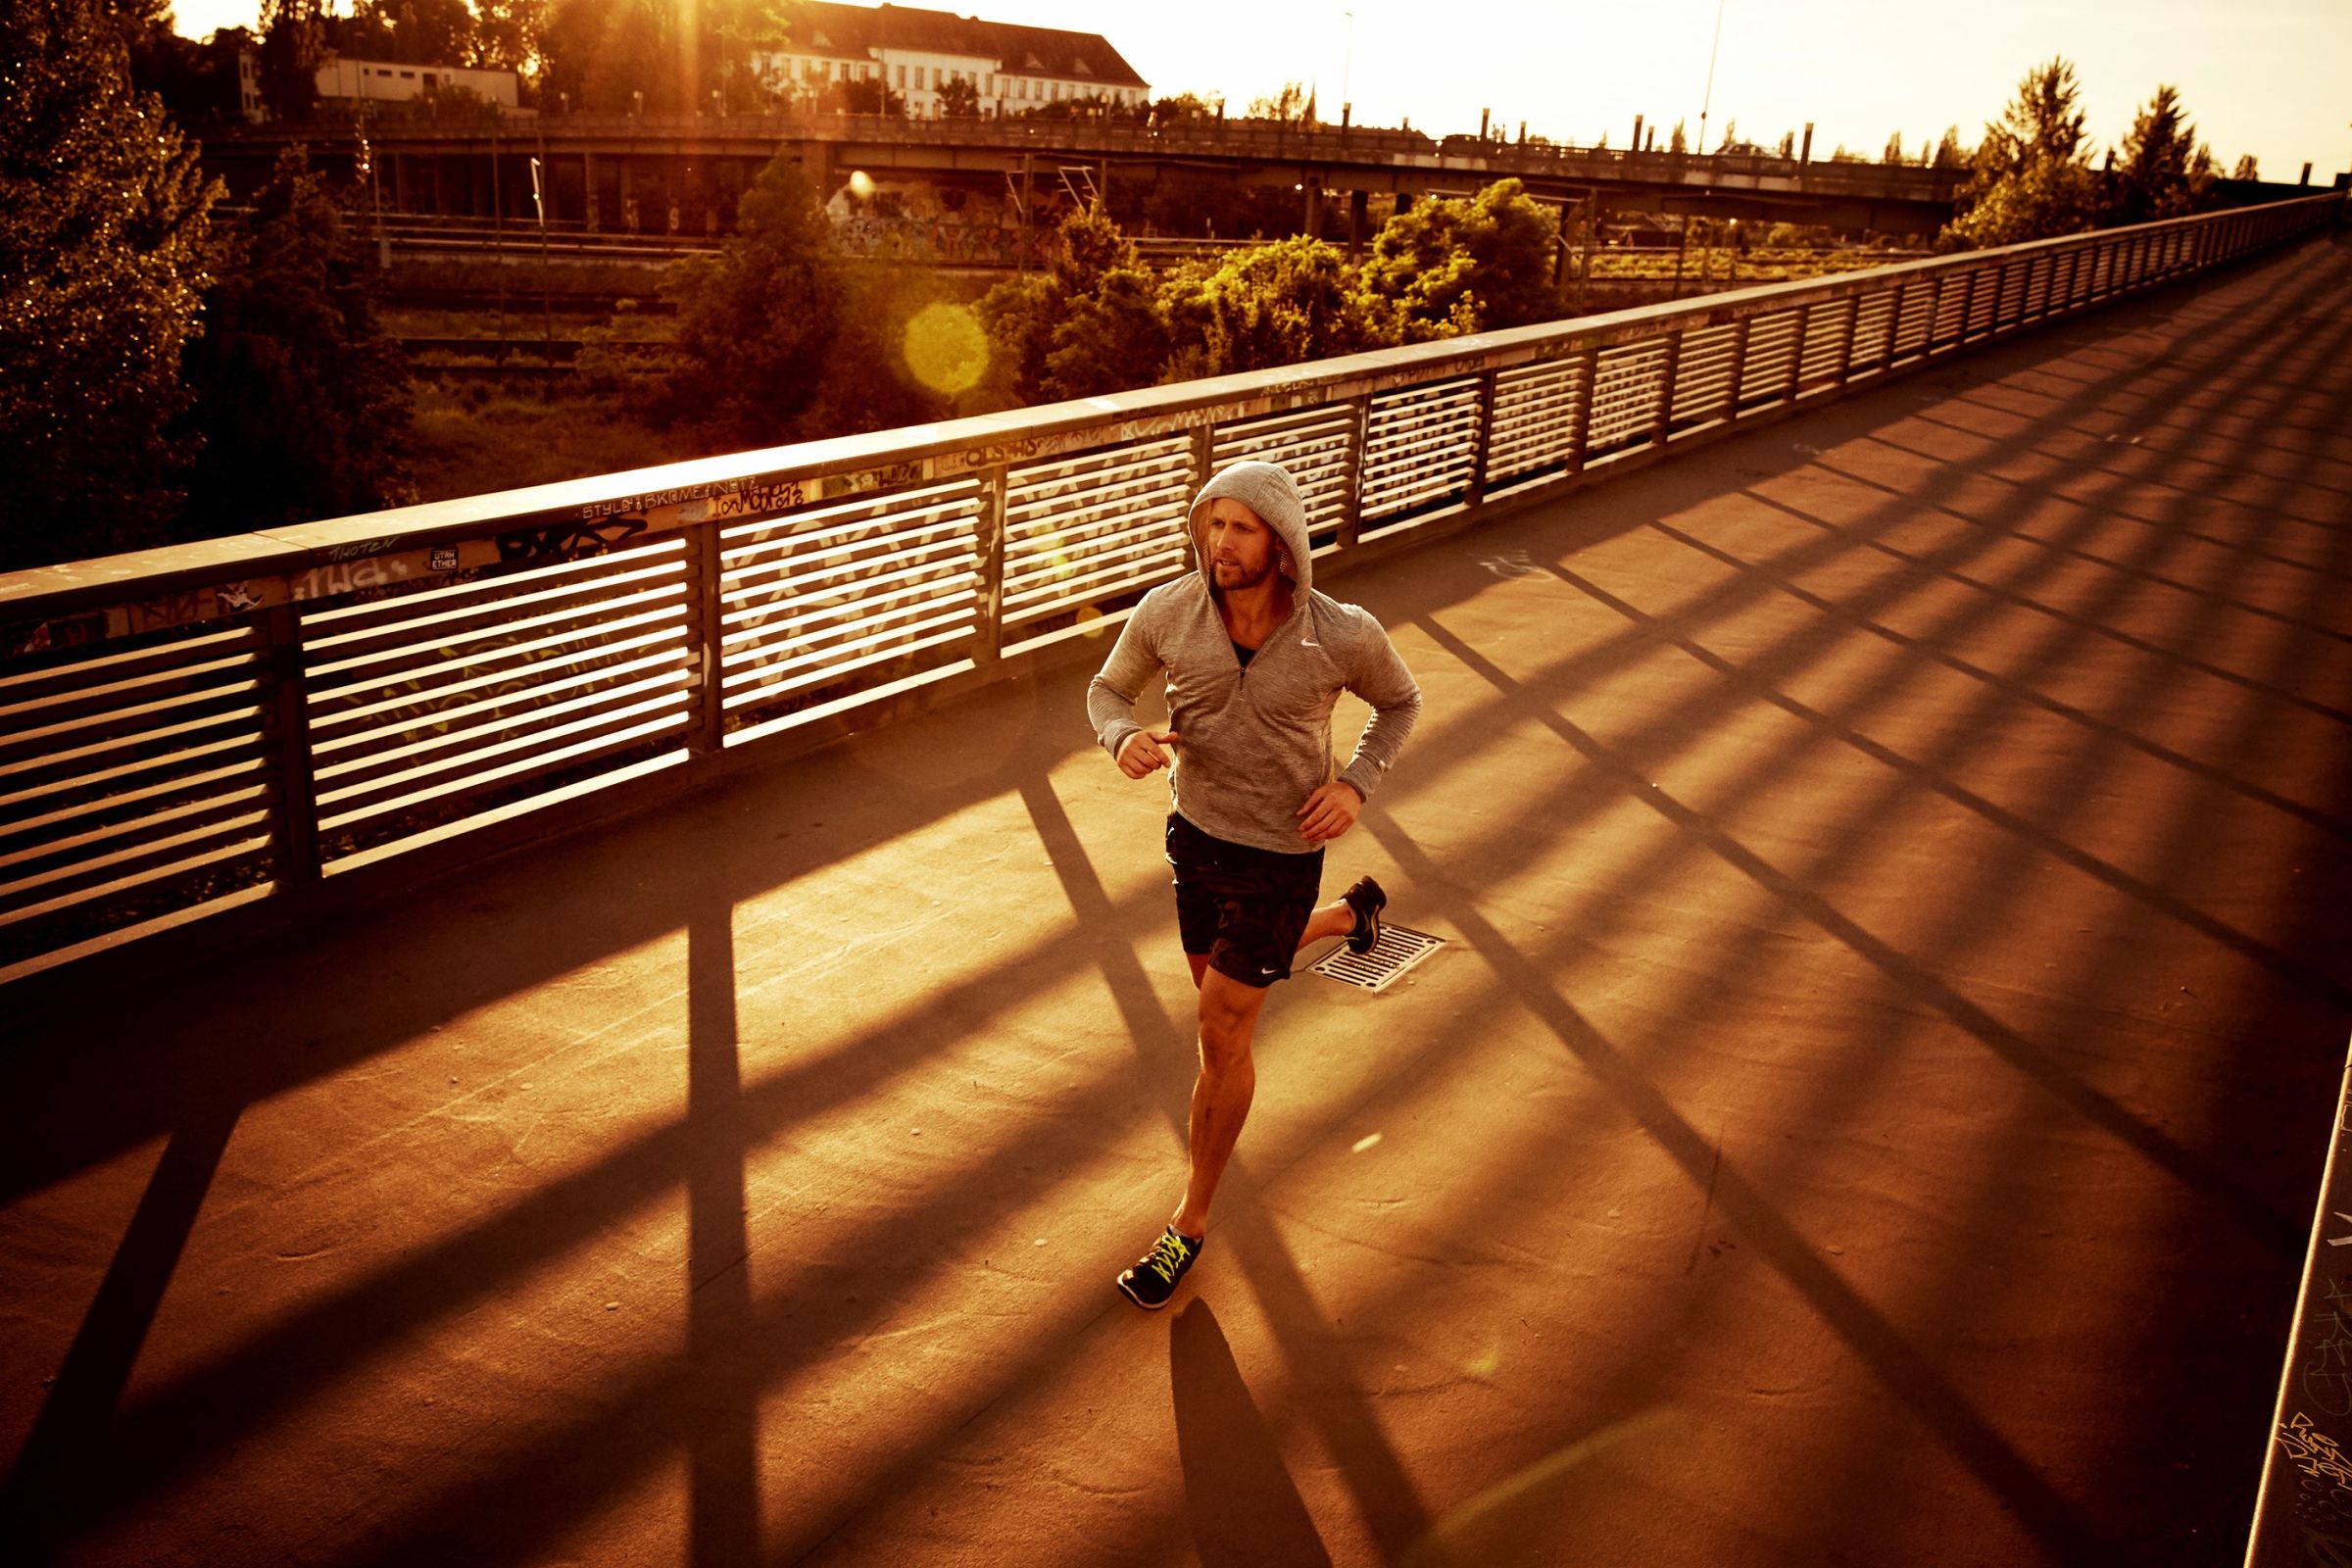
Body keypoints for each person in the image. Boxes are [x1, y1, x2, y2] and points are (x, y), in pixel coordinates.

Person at [1087, 459, 1423, 1310]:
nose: (1218, 541)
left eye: (1239, 527)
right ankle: (1351, 915)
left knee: (1221, 1029)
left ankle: (1188, 1223)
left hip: (1280, 853)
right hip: (1195, 840)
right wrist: (1120, 735)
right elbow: (1107, 689)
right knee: (1221, 986)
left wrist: (1354, 785)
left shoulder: (1338, 632)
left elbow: (1401, 702)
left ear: (1281, 544)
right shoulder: (1170, 610)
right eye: (1211, 522)